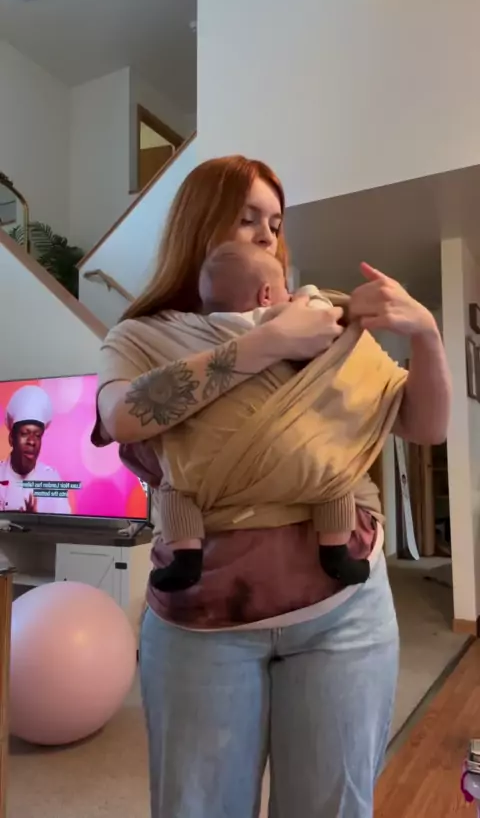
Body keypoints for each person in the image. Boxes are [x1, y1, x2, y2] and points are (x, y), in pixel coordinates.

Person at [93, 155, 451, 818]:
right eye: (247, 217)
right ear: (199, 223)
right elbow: (120, 416)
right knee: (198, 807)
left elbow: (425, 426)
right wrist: (266, 341)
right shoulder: (142, 335)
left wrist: (425, 334)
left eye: (276, 223)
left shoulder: (324, 319)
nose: (266, 234)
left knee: (334, 806)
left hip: (343, 608)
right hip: (203, 614)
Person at [152, 241, 369, 593]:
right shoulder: (277, 319)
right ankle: (335, 552)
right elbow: (323, 319)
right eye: (285, 287)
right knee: (336, 475)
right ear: (267, 294)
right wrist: (306, 294)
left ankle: (187, 559)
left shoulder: (194, 334)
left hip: (207, 468)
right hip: (291, 456)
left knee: (173, 487)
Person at [0, 385, 71, 515]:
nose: (32, 441)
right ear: (11, 438)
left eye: (37, 435)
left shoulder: (52, 479)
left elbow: (65, 524)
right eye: (25, 433)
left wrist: (36, 520)